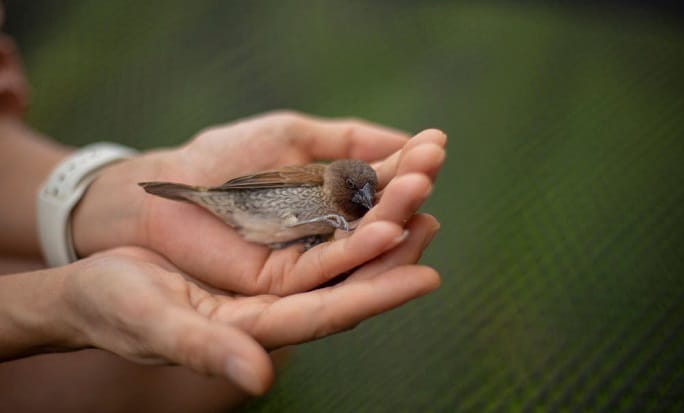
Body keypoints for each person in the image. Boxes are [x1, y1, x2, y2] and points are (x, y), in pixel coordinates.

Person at [0, 11, 446, 413]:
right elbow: (271, 184)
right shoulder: (318, 178)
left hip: (257, 232)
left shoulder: (347, 203)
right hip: (246, 202)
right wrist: (60, 307)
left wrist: (99, 196)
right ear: (338, 179)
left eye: (366, 194)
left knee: (242, 360)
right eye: (355, 190)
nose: (363, 199)